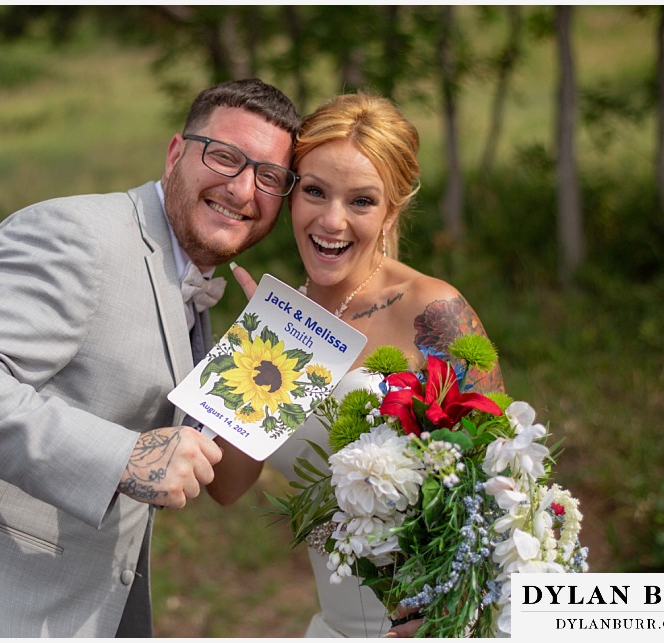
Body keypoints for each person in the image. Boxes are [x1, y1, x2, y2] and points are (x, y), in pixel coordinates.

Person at [0, 78, 301, 638]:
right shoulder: (79, 236)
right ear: (176, 153)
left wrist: (285, 346)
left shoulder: (193, 285)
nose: (244, 189)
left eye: (268, 177)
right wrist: (125, 456)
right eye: (224, 157)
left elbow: (224, 485)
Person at [207, 92, 505, 638]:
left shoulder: (433, 310)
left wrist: (453, 608)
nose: (332, 221)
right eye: (315, 192)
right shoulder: (282, 319)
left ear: (393, 207)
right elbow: (226, 487)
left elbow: (501, 483)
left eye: (362, 201)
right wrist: (255, 354)